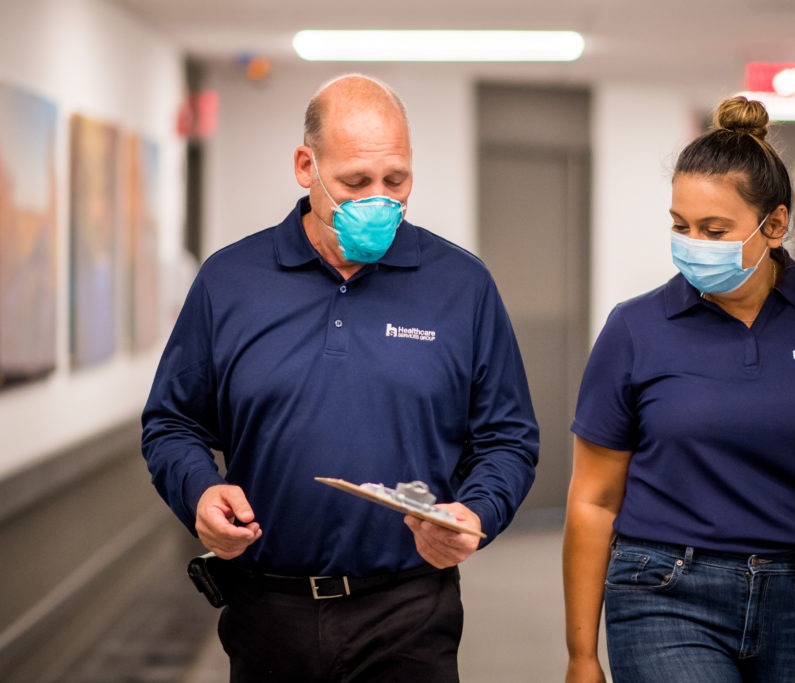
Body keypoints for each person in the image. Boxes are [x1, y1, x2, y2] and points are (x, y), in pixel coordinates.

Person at [142, 73, 539, 682]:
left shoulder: (462, 286)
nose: (379, 198)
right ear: (307, 166)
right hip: (268, 611)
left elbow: (508, 439)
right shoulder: (230, 281)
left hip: (409, 610)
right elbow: (172, 423)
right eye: (356, 182)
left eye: (396, 180)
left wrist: (477, 513)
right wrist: (198, 490)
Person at [562, 96, 795, 683]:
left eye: (714, 229)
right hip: (666, 591)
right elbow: (593, 499)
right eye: (680, 226)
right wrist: (581, 655)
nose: (692, 244)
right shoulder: (634, 329)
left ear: (775, 225)